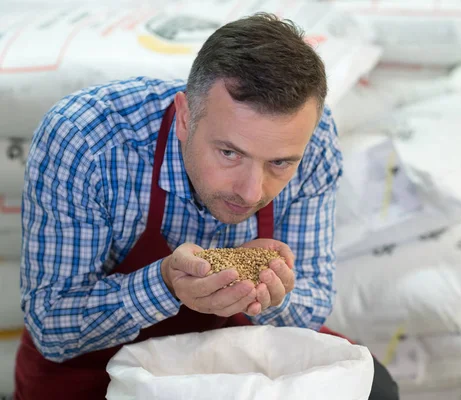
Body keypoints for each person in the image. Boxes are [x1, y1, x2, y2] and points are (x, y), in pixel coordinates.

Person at [14, 12, 399, 400]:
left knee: (377, 390)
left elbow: (312, 303)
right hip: (94, 367)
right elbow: (52, 326)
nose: (251, 192)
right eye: (230, 152)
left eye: (279, 163)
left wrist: (271, 293)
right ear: (184, 117)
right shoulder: (87, 138)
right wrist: (165, 283)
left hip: (228, 350)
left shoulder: (312, 140)